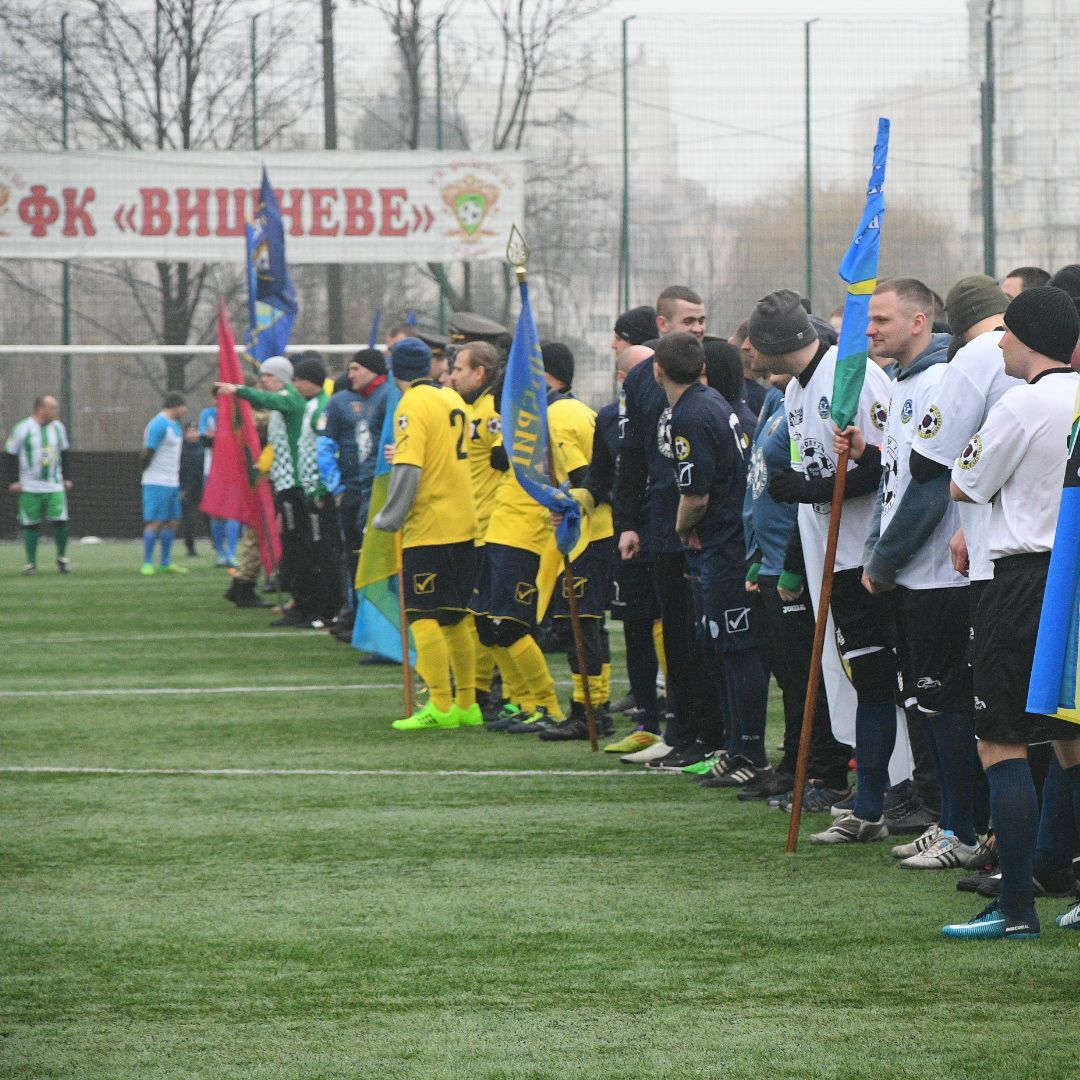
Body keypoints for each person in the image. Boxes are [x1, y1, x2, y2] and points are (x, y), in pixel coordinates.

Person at [941, 285, 1080, 940]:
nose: (998, 343)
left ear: (1026, 338)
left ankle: (1017, 907)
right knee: (1072, 737)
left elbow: (963, 481)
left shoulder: (1022, 404)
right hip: (1075, 574)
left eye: (1006, 333)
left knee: (1001, 739)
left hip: (1025, 578)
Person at [747, 289, 898, 844]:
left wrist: (807, 486)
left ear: (770, 346)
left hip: (867, 556)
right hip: (826, 557)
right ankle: (871, 801)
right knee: (854, 681)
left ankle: (884, 800)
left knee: (879, 680)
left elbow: (886, 469)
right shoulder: (793, 389)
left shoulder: (849, 378)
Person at [845, 278, 987, 868]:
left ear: (920, 323)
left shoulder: (938, 383)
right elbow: (895, 481)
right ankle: (951, 821)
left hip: (939, 578)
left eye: (882, 319)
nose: (871, 330)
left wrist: (882, 558)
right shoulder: (904, 383)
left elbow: (929, 494)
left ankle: (963, 829)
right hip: (914, 578)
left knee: (945, 705)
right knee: (930, 707)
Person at [614, 285, 725, 772]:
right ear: (662, 327)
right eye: (689, 321)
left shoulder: (714, 366)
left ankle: (713, 734)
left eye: (702, 320)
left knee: (707, 638)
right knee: (676, 634)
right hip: (663, 522)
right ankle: (680, 729)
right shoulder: (642, 379)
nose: (698, 329)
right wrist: (627, 522)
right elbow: (633, 455)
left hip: (704, 524)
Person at [655, 332, 772, 787]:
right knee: (721, 647)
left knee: (738, 649)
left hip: (722, 547)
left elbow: (696, 495)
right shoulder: (713, 402)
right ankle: (737, 747)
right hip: (727, 542)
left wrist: (682, 530)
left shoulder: (688, 414)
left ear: (657, 370)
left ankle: (751, 752)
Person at [373, 337, 481, 731]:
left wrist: (391, 516)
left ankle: (439, 704)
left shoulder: (411, 404)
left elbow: (411, 469)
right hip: (463, 522)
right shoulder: (453, 399)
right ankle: (468, 704)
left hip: (430, 524)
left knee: (421, 615)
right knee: (454, 617)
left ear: (394, 369)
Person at [535, 343, 616, 741]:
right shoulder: (577, 408)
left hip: (587, 535)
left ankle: (589, 712)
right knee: (587, 625)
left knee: (579, 627)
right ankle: (595, 708)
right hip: (598, 531)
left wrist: (563, 504)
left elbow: (585, 477)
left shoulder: (556, 415)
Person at [215, 355, 319, 626]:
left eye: (269, 376)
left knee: (298, 547)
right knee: (293, 546)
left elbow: (270, 401)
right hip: (283, 482)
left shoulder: (290, 398)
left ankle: (304, 605)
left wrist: (238, 390)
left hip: (294, 484)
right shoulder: (282, 404)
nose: (263, 380)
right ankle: (297, 602)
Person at [448, 340, 505, 717]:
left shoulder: (490, 412)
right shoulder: (468, 410)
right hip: (471, 526)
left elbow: (505, 455)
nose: (452, 376)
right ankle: (474, 691)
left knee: (485, 617)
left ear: (480, 373)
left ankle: (486, 692)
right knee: (473, 615)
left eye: (459, 369)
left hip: (489, 528)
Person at [318, 347, 389, 639]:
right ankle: (358, 617)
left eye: (355, 369)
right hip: (352, 491)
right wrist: (335, 486)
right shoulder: (339, 403)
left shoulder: (387, 397)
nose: (350, 375)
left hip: (379, 489)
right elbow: (324, 447)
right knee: (354, 557)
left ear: (372, 369)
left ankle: (378, 625)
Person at [293, 353, 343, 624]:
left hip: (319, 494)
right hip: (312, 490)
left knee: (326, 553)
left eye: (298, 379)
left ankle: (330, 609)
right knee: (319, 551)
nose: (294, 385)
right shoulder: (314, 405)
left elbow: (324, 451)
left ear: (311, 381)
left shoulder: (322, 407)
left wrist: (320, 489)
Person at [5, 393, 72, 575]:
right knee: (30, 524)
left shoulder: (58, 428)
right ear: (40, 409)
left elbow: (64, 453)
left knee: (61, 521)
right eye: (52, 408)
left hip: (54, 484)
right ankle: (31, 564)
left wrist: (67, 477)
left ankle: (62, 559)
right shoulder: (23, 428)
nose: (55, 411)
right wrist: (13, 481)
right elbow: (11, 454)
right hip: (29, 486)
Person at [140, 391, 189, 575]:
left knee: (173, 521)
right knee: (156, 522)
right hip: (156, 481)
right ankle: (147, 563)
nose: (186, 409)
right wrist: (145, 470)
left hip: (172, 481)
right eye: (183, 406)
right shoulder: (159, 424)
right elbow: (148, 451)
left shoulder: (175, 425)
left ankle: (166, 562)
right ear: (175, 406)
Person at [197, 403, 240, 567]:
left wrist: (216, 436)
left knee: (232, 512)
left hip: (233, 470)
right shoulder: (207, 414)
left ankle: (232, 553)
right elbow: (204, 441)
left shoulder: (237, 413)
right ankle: (221, 553)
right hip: (212, 471)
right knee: (216, 513)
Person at [178, 421, 204, 557]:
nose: (193, 434)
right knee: (189, 520)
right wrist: (181, 488)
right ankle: (190, 547)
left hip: (202, 487)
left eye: (195, 431)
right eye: (190, 431)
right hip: (187, 489)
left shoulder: (203, 447)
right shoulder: (181, 448)